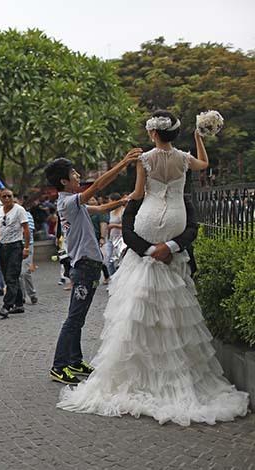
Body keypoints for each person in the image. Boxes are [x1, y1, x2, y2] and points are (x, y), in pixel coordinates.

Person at [57, 111, 249, 426]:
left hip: (147, 220)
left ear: (151, 134)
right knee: (176, 299)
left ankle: (137, 370)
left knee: (137, 299)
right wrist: (199, 137)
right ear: (173, 135)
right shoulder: (185, 158)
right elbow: (205, 164)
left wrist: (118, 204)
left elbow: (138, 194)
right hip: (175, 220)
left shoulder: (144, 159)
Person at [45, 148, 142, 385]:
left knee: (78, 318)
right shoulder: (68, 202)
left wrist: (122, 201)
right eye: (74, 172)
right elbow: (97, 186)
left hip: (89, 266)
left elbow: (98, 209)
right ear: (63, 180)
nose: (78, 175)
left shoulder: (71, 204)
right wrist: (123, 162)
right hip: (84, 266)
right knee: (73, 319)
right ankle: (59, 366)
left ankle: (75, 361)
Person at [0, 188, 31, 318]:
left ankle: (6, 306)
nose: (7, 199)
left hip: (16, 246)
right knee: (8, 277)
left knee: (12, 276)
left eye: (9, 196)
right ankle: (18, 304)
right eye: (4, 196)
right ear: (0, 199)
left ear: (13, 197)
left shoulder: (19, 210)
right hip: (3, 247)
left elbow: (26, 229)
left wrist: (27, 248)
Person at [18, 196, 38, 305]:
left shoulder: (26, 214)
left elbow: (28, 232)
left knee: (25, 272)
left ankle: (32, 294)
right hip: (15, 247)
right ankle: (22, 296)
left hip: (27, 245)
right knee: (19, 274)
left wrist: (25, 247)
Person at [104, 193, 124, 276]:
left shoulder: (123, 211)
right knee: (108, 260)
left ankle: (120, 279)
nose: (109, 203)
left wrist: (114, 225)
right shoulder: (111, 211)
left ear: (115, 201)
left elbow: (126, 225)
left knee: (119, 260)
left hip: (121, 238)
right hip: (110, 238)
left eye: (110, 201)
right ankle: (112, 278)